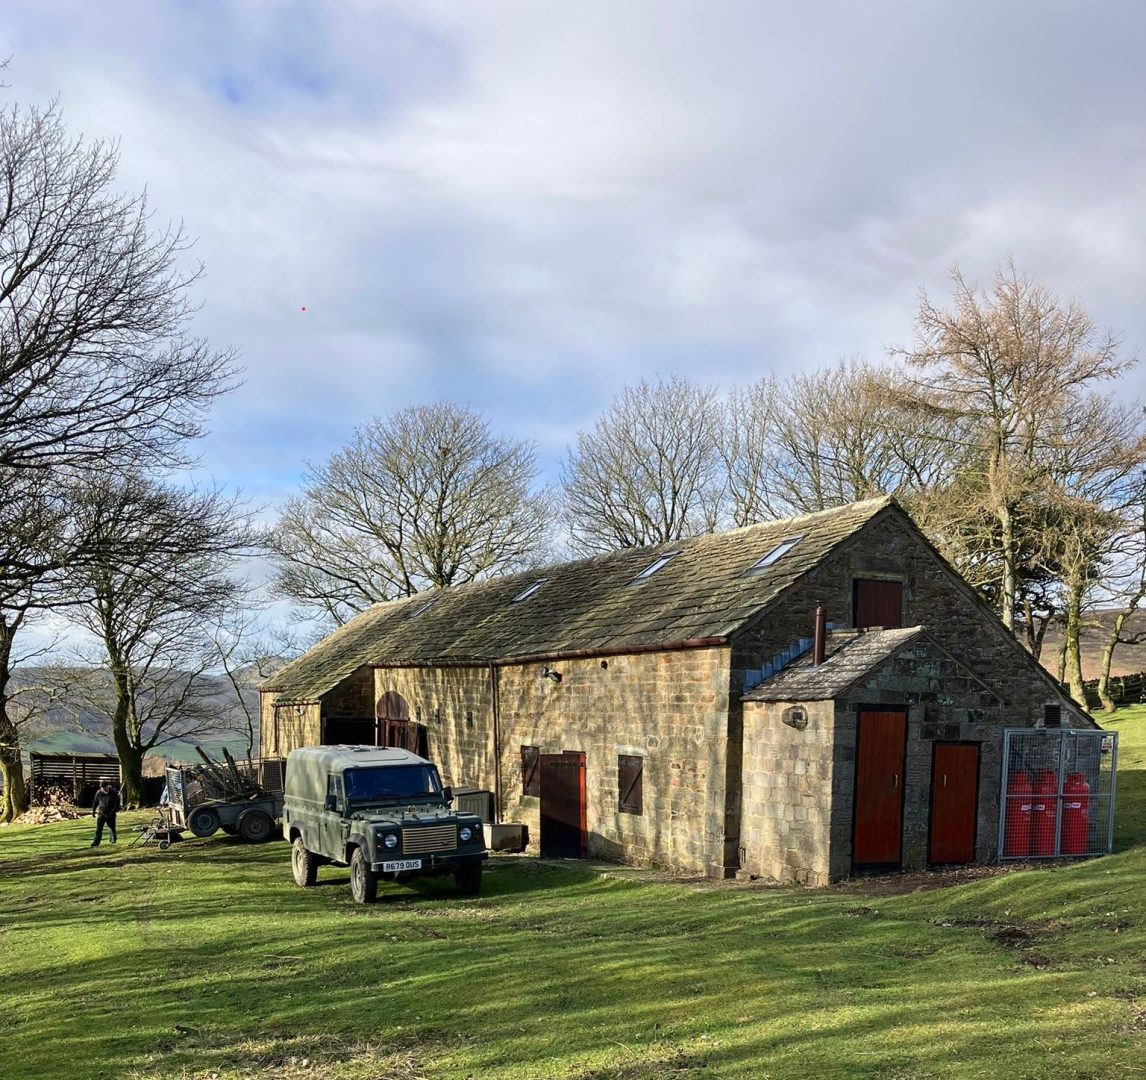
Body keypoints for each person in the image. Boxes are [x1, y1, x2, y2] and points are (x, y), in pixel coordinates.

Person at [91, 780, 120, 847]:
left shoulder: (113, 793)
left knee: (112, 828)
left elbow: (116, 804)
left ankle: (113, 840)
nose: (104, 790)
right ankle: (96, 842)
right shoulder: (98, 793)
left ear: (107, 786)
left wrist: (112, 813)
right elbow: (95, 802)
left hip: (111, 813)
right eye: (103, 789)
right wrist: (93, 811)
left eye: (105, 788)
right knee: (99, 829)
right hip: (101, 813)